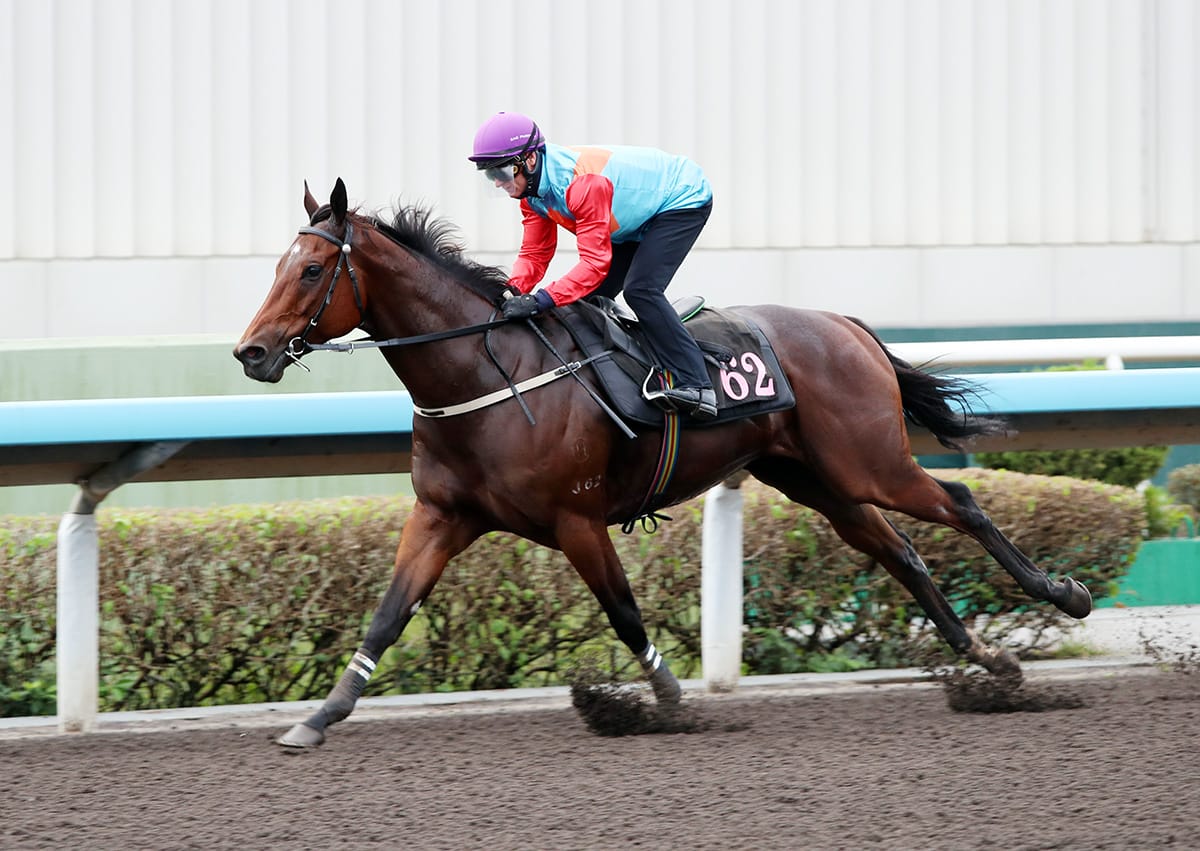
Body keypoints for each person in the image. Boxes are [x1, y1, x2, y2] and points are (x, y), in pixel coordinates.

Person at [469, 111, 717, 419]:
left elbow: (594, 264)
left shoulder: (583, 184)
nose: (496, 183)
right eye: (489, 175)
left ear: (529, 160)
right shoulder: (531, 194)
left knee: (641, 290)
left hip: (679, 200)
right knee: (586, 302)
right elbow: (535, 253)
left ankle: (697, 386)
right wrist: (512, 289)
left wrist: (540, 300)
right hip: (631, 218)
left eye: (501, 172)